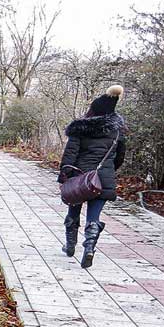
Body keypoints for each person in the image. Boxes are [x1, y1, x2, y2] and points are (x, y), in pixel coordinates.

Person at [58, 85, 127, 268]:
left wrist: (64, 175)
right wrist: (108, 172)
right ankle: (89, 249)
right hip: (103, 179)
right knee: (94, 217)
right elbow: (120, 158)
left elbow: (70, 155)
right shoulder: (117, 131)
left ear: (93, 110)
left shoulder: (80, 128)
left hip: (79, 178)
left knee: (73, 210)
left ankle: (70, 246)